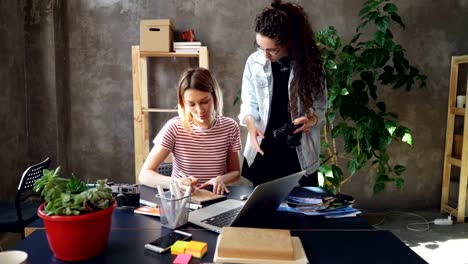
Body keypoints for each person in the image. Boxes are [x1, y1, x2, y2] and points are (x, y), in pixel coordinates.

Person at [238, 0, 327, 186]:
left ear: (289, 42)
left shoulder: (311, 65)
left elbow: (320, 107)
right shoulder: (253, 62)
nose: (265, 55)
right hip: (265, 149)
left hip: (298, 151)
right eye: (260, 47)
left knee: (303, 211)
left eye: (272, 50)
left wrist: (310, 120)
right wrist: (250, 124)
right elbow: (248, 102)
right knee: (264, 210)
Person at [139, 67, 242, 194]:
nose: (199, 110)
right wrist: (176, 182)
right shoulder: (174, 127)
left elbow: (235, 172)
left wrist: (221, 179)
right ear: (183, 103)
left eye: (205, 102)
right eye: (191, 104)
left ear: (214, 97)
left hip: (215, 198)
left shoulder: (230, 127)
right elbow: (144, 175)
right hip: (183, 200)